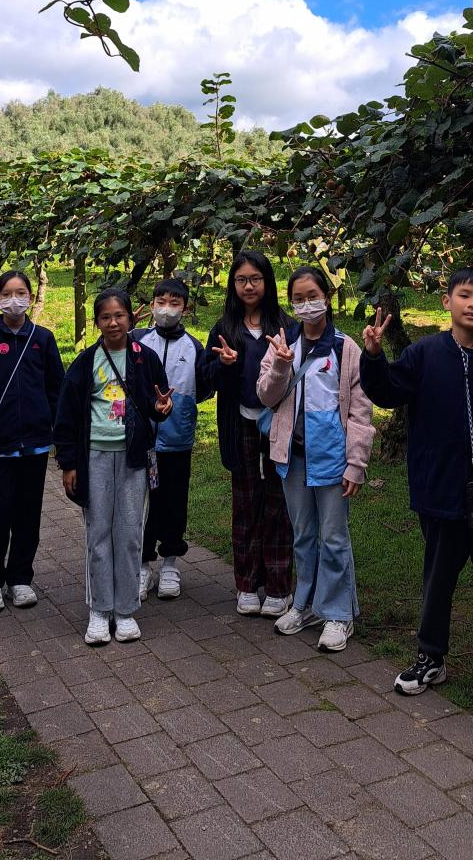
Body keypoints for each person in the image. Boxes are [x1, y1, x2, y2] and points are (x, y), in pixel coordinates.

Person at [359, 267, 473, 732]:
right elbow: (387, 391)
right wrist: (373, 357)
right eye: (465, 295)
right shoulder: (423, 354)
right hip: (439, 492)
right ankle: (431, 657)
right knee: (437, 579)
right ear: (447, 301)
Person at [258, 266, 374, 652]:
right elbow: (266, 396)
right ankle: (305, 604)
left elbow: (360, 411)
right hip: (293, 457)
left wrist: (356, 463)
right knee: (304, 535)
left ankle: (338, 613)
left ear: (327, 297)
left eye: (312, 296)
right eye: (298, 299)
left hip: (333, 459)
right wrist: (280, 364)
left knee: (334, 537)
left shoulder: (346, 348)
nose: (306, 305)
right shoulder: (282, 343)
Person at [54, 288, 173, 646]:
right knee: (99, 533)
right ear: (97, 323)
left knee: (130, 532)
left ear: (131, 318)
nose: (113, 322)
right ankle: (99, 610)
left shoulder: (144, 358)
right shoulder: (86, 362)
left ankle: (125, 611)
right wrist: (69, 464)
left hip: (134, 458)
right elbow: (66, 415)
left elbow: (156, 402)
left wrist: (161, 409)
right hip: (95, 457)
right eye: (105, 317)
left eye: (119, 315)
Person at [0, 270, 65, 614]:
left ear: (30, 298)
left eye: (21, 293)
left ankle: (20, 578)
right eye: (7, 294)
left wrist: (55, 433)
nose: (14, 300)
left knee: (27, 515)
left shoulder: (42, 339)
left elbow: (56, 390)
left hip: (34, 445)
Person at [205, 249, 293, 618]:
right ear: (233, 285)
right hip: (240, 423)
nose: (249, 286)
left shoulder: (286, 325)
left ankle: (278, 586)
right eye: (241, 280)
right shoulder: (224, 328)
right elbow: (205, 381)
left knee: (278, 505)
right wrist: (223, 365)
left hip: (278, 426)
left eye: (255, 278)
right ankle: (246, 584)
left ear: (267, 282)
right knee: (245, 505)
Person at [133, 277, 215, 600]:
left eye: (174, 303)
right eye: (161, 302)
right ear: (152, 305)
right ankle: (142, 564)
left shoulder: (194, 347)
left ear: (186, 308)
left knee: (174, 500)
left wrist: (179, 410)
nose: (167, 309)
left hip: (177, 440)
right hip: (141, 440)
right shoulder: (137, 340)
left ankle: (170, 563)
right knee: (141, 502)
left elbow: (205, 389)